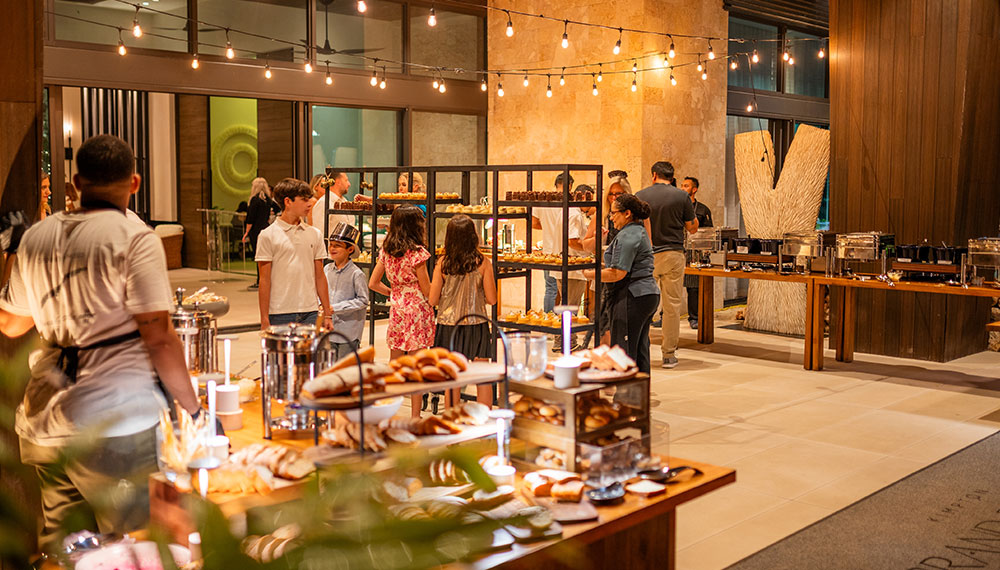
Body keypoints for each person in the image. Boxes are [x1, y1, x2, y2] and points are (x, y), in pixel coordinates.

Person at [0, 134, 201, 551]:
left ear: (76, 183)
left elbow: (11, 323)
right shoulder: (135, 236)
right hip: (115, 424)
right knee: (143, 547)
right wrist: (193, 408)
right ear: (135, 183)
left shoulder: (36, 237)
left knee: (66, 552)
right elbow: (159, 337)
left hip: (45, 422)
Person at [368, 205, 434, 416]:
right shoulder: (417, 254)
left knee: (395, 362)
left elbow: (373, 283)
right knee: (416, 365)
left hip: (397, 308)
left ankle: (389, 410)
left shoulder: (387, 251)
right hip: (417, 309)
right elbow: (427, 289)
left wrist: (393, 292)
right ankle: (415, 415)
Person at [583, 194, 659, 373]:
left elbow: (618, 273)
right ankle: (640, 388)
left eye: (613, 213)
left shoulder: (628, 236)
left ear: (627, 213)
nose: (611, 218)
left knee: (624, 353)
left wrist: (589, 274)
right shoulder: (635, 231)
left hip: (633, 296)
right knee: (639, 350)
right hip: (644, 294)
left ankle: (626, 389)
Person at [635, 161, 698, 369]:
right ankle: (669, 355)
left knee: (644, 304)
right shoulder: (682, 196)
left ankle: (640, 350)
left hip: (647, 255)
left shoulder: (640, 195)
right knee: (672, 306)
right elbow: (692, 228)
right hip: (673, 254)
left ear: (654, 175)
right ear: (672, 177)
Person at [429, 214, 497, 406]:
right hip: (477, 323)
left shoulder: (442, 263)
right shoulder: (483, 262)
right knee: (482, 378)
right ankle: (485, 418)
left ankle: (452, 418)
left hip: (449, 325)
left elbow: (433, 299)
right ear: (473, 236)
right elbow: (492, 299)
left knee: (453, 379)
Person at [255, 177, 334, 330]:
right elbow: (264, 280)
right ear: (288, 202)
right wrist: (264, 318)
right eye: (304, 200)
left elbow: (320, 275)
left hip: (310, 312)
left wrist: (327, 314)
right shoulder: (267, 235)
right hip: (279, 313)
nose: (309, 203)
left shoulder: (315, 234)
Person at [581, 173, 632, 347]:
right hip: (606, 272)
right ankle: (603, 350)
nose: (614, 198)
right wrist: (597, 238)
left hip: (626, 273)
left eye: (619, 194)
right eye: (611, 194)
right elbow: (585, 245)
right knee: (604, 318)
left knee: (621, 320)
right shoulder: (601, 215)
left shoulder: (632, 218)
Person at [531, 172, 575, 320]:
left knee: (550, 288)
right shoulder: (568, 202)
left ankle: (548, 320)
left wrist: (548, 228)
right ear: (570, 185)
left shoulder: (544, 200)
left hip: (547, 251)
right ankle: (556, 321)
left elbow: (533, 223)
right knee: (563, 290)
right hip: (564, 251)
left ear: (556, 184)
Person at [323, 223, 369, 359]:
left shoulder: (357, 274)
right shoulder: (326, 269)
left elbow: (363, 300)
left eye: (337, 245)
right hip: (329, 328)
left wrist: (335, 308)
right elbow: (321, 291)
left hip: (348, 331)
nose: (332, 248)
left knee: (346, 366)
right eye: (331, 245)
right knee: (330, 365)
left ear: (350, 249)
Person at [681, 176, 713, 330]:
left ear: (694, 189)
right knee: (669, 285)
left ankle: (694, 317)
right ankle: (663, 315)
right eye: (682, 185)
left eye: (686, 186)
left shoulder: (702, 210)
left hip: (695, 252)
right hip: (678, 249)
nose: (682, 188)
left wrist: (706, 251)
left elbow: (709, 232)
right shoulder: (677, 206)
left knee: (693, 287)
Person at [243, 177, 279, 290]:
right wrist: (269, 217)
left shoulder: (255, 200)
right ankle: (266, 279)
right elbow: (278, 209)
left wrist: (246, 232)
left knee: (259, 256)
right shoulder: (268, 200)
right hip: (266, 228)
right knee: (266, 256)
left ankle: (260, 280)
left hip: (256, 230)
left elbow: (250, 218)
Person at [312, 169, 353, 237]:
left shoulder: (344, 201)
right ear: (338, 182)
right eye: (346, 180)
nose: (349, 184)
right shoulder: (323, 203)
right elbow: (319, 233)